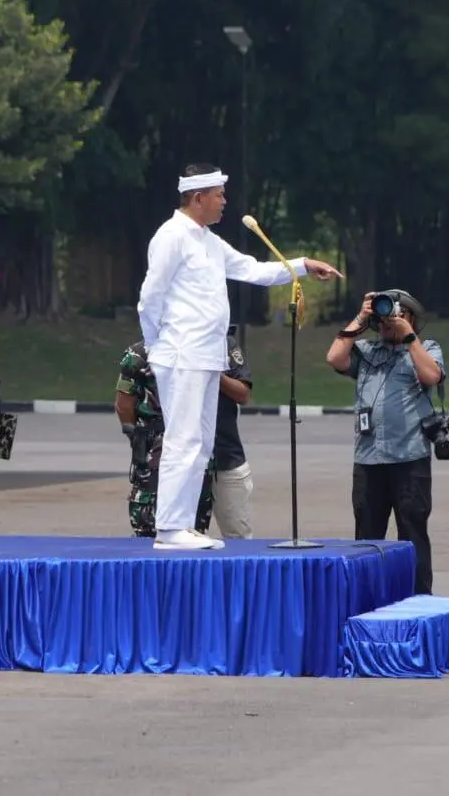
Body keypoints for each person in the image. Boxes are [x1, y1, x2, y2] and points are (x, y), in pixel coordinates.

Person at [135, 162, 342, 549]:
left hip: (208, 356)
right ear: (198, 198)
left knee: (200, 442)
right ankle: (168, 528)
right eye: (219, 195)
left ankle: (180, 524)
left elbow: (254, 270)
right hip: (180, 354)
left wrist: (302, 266)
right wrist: (156, 344)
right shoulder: (171, 236)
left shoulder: (210, 241)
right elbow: (150, 296)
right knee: (182, 439)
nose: (224, 201)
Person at [326, 289, 445, 595]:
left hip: (409, 459)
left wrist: (408, 337)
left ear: (412, 319)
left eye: (397, 314)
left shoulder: (426, 347)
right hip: (368, 460)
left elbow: (432, 375)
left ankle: (419, 601)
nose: (388, 320)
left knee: (413, 535)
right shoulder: (366, 350)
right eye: (385, 314)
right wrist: (361, 317)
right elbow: (335, 357)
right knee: (366, 539)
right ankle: (365, 599)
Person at [115, 340, 215, 538]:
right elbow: (123, 402)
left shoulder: (200, 348)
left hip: (193, 438)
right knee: (149, 518)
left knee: (193, 517)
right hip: (156, 440)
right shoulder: (140, 354)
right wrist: (137, 437)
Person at [210, 325, 254, 539]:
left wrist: (213, 373)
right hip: (184, 462)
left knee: (238, 536)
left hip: (225, 458)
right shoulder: (170, 344)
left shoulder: (224, 344)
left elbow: (244, 394)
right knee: (182, 537)